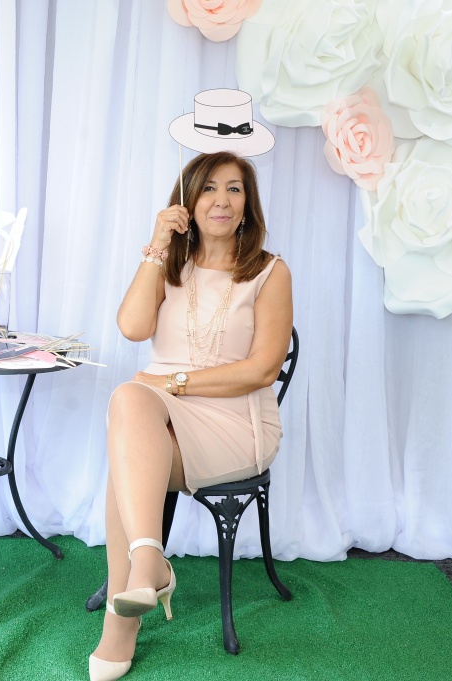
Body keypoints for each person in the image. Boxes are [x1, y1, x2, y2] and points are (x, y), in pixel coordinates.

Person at [89, 150, 293, 680]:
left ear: (248, 204)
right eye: (208, 188)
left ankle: (126, 612)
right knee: (130, 402)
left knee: (128, 445)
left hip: (236, 423)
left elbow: (263, 370)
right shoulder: (171, 265)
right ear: (188, 200)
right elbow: (133, 328)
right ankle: (146, 566)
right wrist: (158, 243)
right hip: (157, 415)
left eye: (234, 189)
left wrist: (174, 382)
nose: (221, 200)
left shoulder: (270, 272)